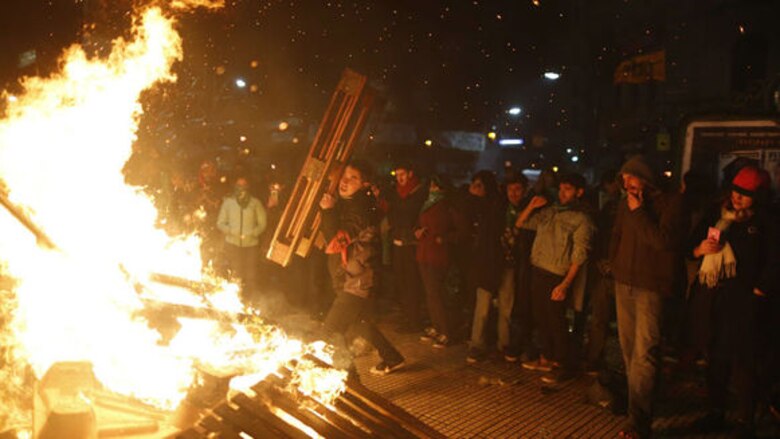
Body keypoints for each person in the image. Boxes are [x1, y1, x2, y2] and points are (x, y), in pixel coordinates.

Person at [689, 165, 778, 438]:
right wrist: (700, 249)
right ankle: (716, 412)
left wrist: (760, 291)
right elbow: (692, 246)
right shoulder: (717, 214)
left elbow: (775, 259)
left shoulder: (765, 221)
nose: (737, 198)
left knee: (744, 361)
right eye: (736, 191)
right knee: (715, 356)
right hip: (714, 296)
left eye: (745, 194)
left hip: (745, 300)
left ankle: (745, 420)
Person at [608, 155, 687, 439]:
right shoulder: (625, 202)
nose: (627, 183)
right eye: (623, 178)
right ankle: (637, 408)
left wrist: (639, 211)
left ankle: (639, 422)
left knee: (645, 354)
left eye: (632, 177)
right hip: (624, 282)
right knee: (630, 352)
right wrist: (613, 264)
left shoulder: (670, 203)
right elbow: (617, 234)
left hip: (651, 287)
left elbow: (664, 242)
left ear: (647, 177)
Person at [319, 161, 405, 376]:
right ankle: (392, 357)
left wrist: (327, 212)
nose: (345, 181)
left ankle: (350, 383)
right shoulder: (349, 203)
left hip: (357, 281)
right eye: (344, 176)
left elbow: (334, 243)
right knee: (359, 323)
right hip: (350, 277)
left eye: (353, 178)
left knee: (331, 331)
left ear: (365, 184)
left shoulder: (360, 208)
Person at [515, 173, 595, 384]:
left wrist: (565, 284)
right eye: (560, 189)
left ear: (579, 192)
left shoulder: (581, 219)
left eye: (567, 189)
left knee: (556, 321)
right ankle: (547, 357)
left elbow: (580, 255)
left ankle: (563, 365)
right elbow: (521, 223)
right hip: (538, 269)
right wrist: (532, 205)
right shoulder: (550, 212)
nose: (562, 193)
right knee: (541, 318)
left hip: (556, 275)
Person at [468, 172, 529, 360]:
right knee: (483, 307)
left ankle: (504, 344)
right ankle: (477, 345)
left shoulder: (523, 209)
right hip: (490, 263)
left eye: (518, 189)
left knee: (506, 307)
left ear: (524, 190)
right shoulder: (497, 207)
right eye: (511, 189)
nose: (514, 193)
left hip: (510, 265)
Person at [464, 170, 504, 363]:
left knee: (499, 306)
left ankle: (499, 345)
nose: (475, 189)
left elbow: (491, 239)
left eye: (479, 185)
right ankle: (478, 343)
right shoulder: (475, 206)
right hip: (482, 262)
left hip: (495, 261)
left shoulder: (494, 207)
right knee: (482, 304)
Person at [384, 161, 428, 332]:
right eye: (397, 175)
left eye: (402, 174)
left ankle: (414, 320)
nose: (400, 178)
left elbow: (416, 216)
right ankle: (407, 317)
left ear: (410, 173)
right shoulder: (396, 193)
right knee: (401, 281)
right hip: (398, 241)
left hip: (411, 244)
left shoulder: (418, 192)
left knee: (412, 283)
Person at [415, 174, 457, 348]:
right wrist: (416, 232)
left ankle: (446, 331)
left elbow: (460, 231)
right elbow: (418, 224)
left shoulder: (448, 206)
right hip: (424, 252)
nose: (432, 189)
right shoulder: (427, 204)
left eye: (435, 186)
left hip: (438, 255)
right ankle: (437, 326)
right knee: (430, 293)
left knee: (437, 293)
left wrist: (444, 238)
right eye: (431, 186)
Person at [216, 177, 267, 302]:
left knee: (251, 275)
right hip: (233, 244)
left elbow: (262, 223)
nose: (241, 189)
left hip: (251, 246)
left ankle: (251, 303)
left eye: (244, 186)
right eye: (239, 186)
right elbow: (220, 223)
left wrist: (253, 233)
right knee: (236, 274)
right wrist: (232, 232)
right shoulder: (228, 203)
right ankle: (236, 301)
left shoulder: (255, 203)